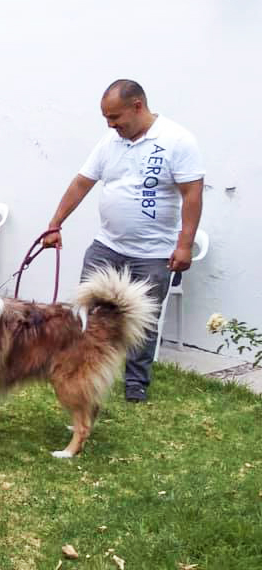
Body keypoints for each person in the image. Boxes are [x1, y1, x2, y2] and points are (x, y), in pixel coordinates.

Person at [42, 79, 204, 403]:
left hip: (154, 252)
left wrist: (184, 245)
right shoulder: (109, 142)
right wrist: (55, 224)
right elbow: (81, 183)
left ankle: (135, 383)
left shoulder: (177, 140)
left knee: (143, 320)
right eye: (106, 118)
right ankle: (82, 368)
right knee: (87, 310)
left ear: (138, 106)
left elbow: (192, 195)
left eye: (115, 118)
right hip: (108, 245)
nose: (111, 125)